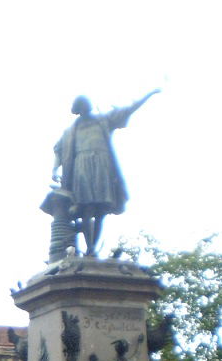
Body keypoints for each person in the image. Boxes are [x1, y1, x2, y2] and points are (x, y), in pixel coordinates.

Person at [52, 89, 159, 257]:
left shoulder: (104, 120)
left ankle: (91, 248)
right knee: (87, 208)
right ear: (77, 109)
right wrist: (54, 168)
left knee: (100, 210)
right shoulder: (71, 131)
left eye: (87, 104)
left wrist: (149, 94)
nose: (86, 107)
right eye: (82, 105)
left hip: (102, 164)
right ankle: (91, 248)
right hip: (82, 166)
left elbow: (129, 109)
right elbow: (59, 149)